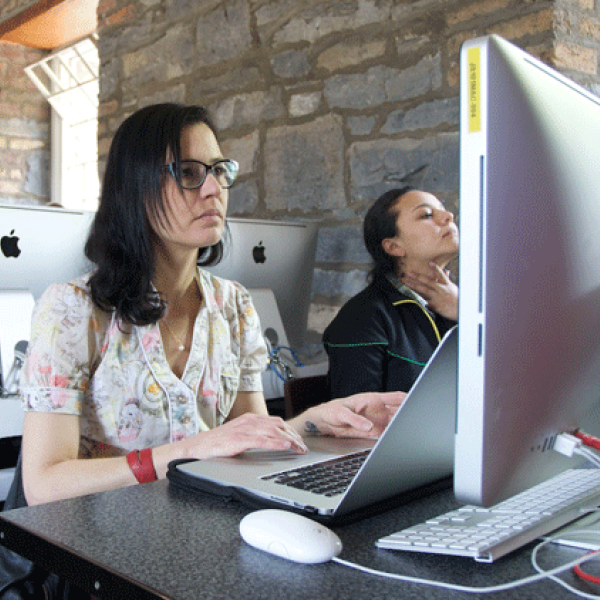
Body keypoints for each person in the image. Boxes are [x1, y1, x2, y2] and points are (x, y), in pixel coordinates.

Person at [18, 103, 405, 507]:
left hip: (202, 532)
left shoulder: (233, 305)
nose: (213, 189)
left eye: (219, 170)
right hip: (101, 548)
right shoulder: (73, 309)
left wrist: (312, 422)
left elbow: (245, 439)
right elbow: (45, 484)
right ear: (135, 186)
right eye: (188, 173)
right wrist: (183, 454)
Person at [323, 186, 459, 400]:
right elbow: (359, 419)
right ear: (394, 247)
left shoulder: (466, 306)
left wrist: (462, 312)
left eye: (443, 209)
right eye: (426, 215)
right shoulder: (363, 318)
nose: (448, 216)